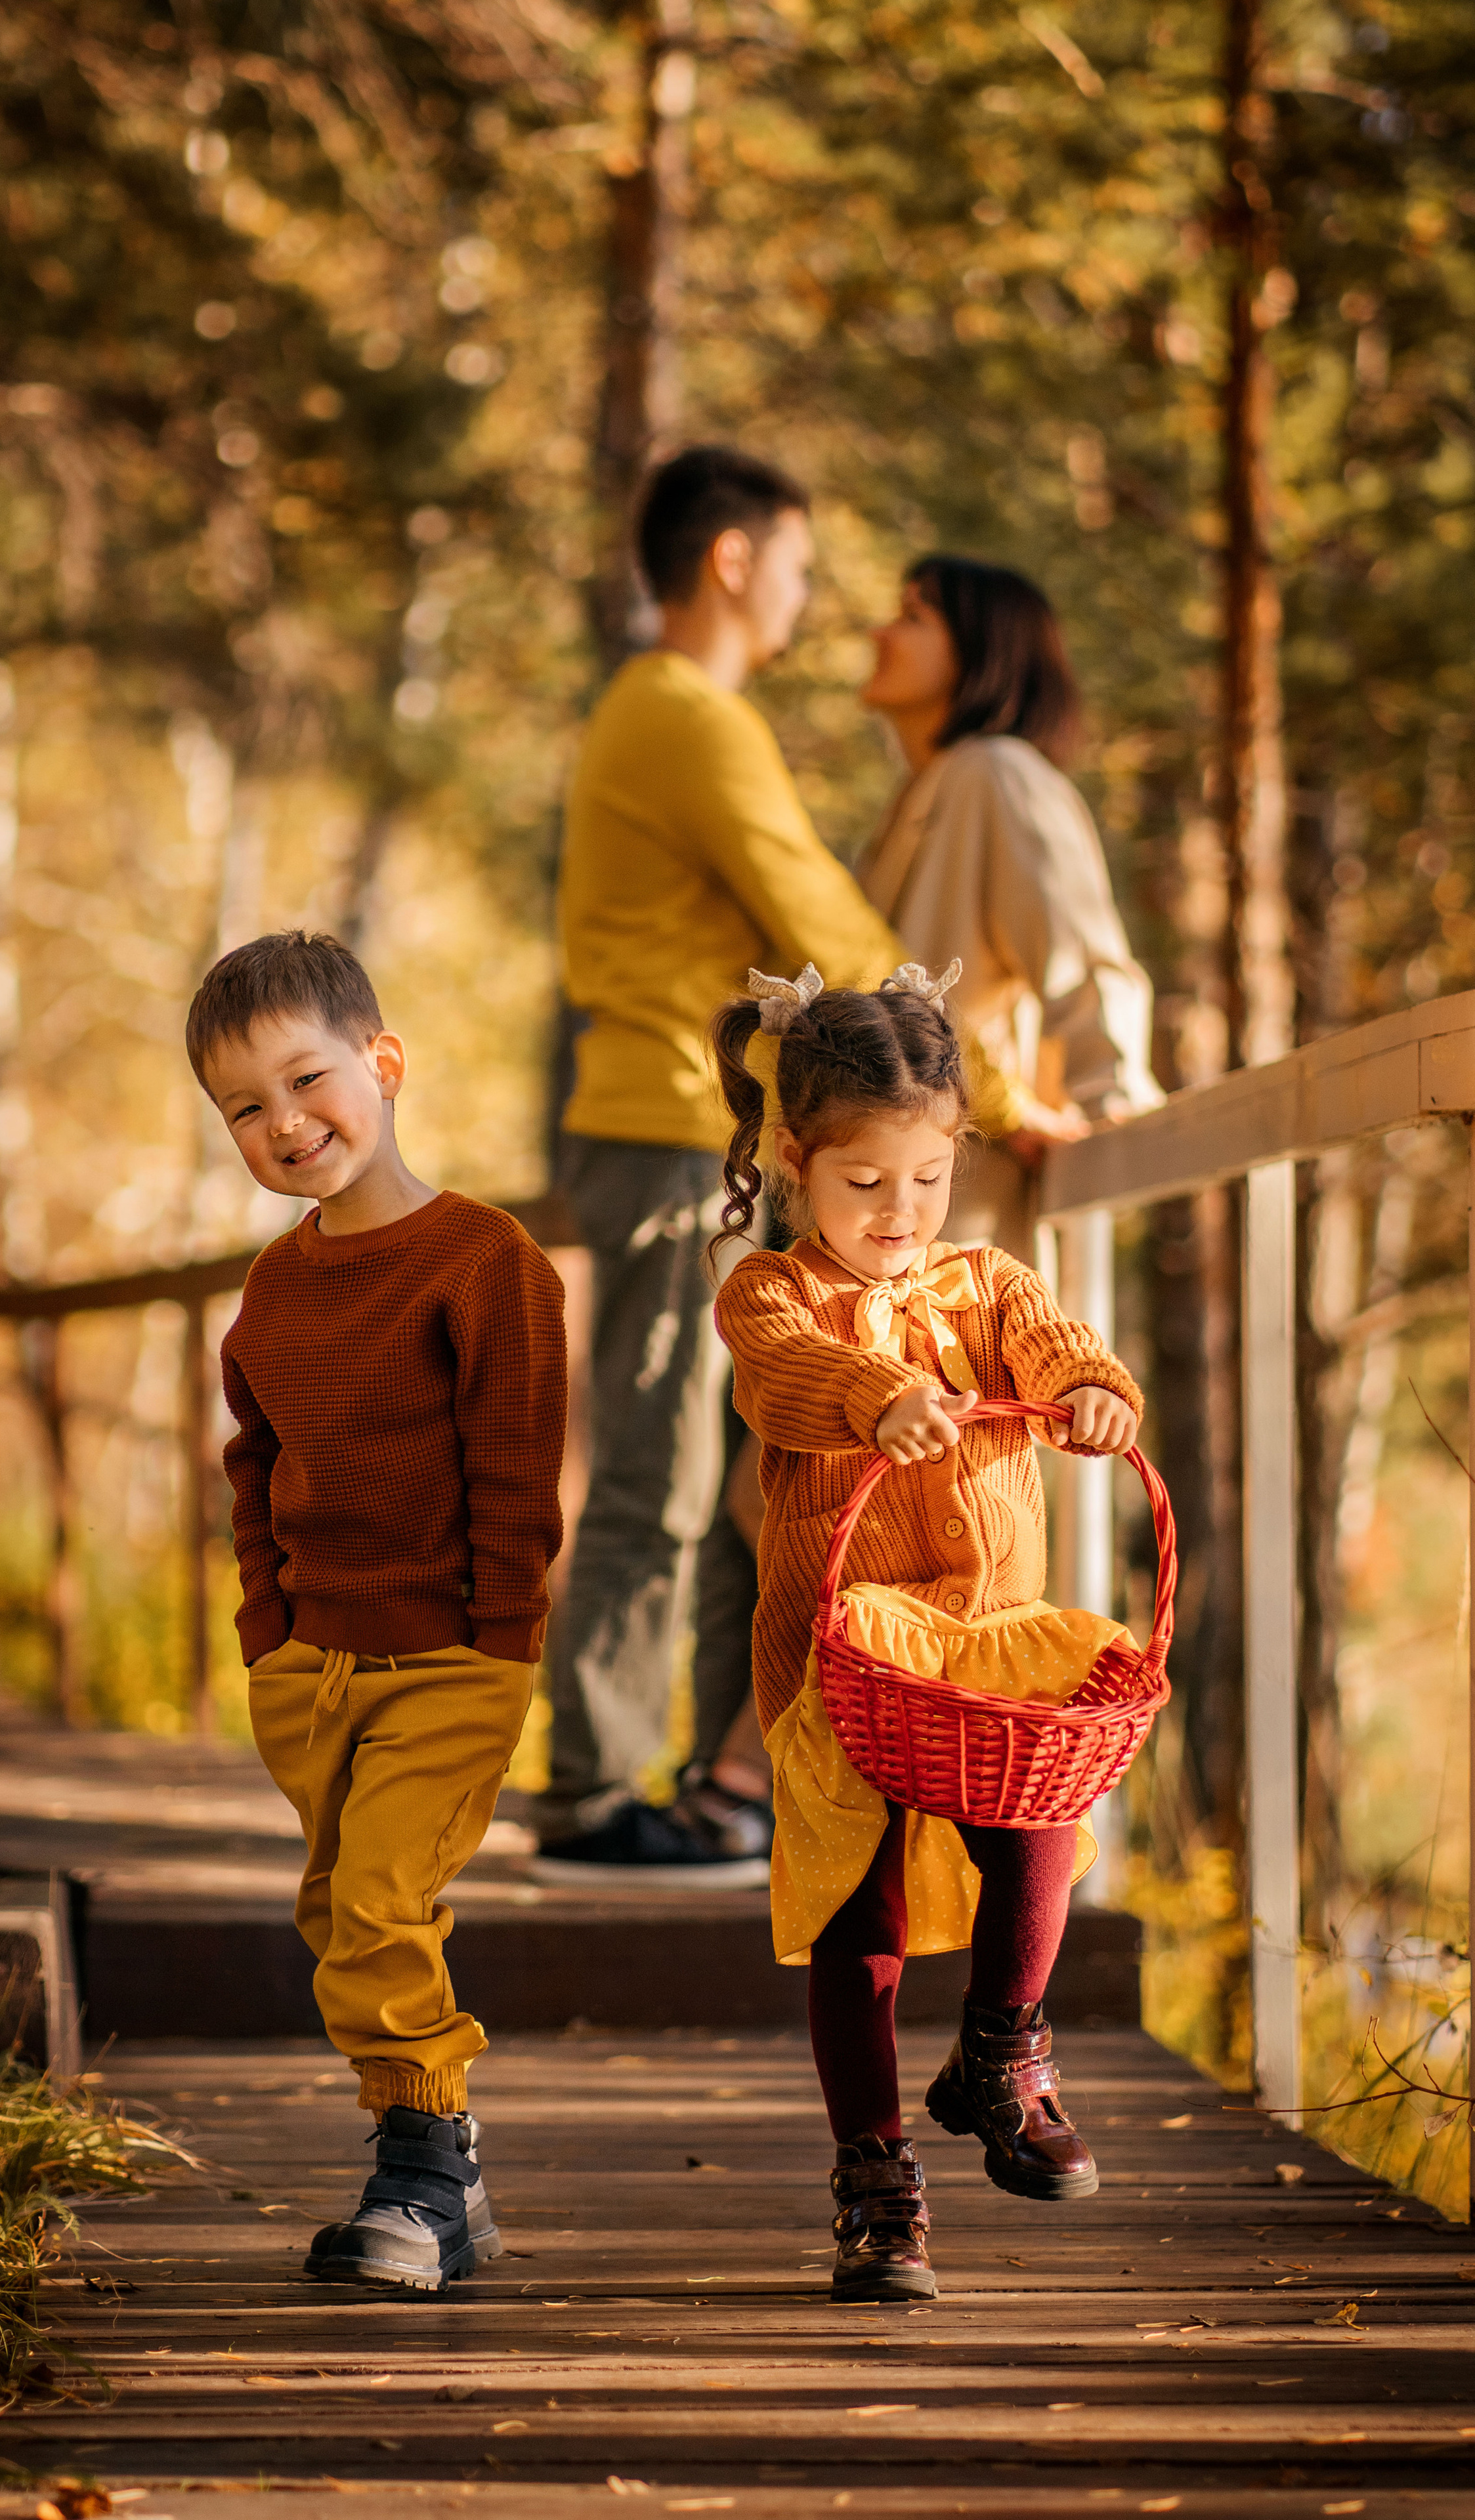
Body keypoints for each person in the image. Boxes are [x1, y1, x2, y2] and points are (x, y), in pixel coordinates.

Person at [537, 445, 945, 1885]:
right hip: (662, 1133)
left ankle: (707, 1793)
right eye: (796, 561)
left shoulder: (666, 713)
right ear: (730, 559)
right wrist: (961, 1073)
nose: (805, 592)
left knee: (729, 1473)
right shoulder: (681, 715)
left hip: (693, 1132)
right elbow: (810, 906)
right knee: (655, 1467)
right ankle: (591, 1801)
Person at [709, 961, 1143, 2298]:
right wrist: (877, 1394)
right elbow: (787, 1377)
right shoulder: (769, 1293)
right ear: (795, 1164)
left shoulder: (987, 1283)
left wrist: (1090, 1391)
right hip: (843, 1653)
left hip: (981, 1640)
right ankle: (875, 2176)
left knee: (1040, 1823)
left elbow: (1056, 1339)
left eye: (929, 1178)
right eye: (864, 1183)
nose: (900, 1212)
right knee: (863, 1912)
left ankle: (1002, 2051)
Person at [187, 930, 567, 2292]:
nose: (286, 1123)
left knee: (380, 1901)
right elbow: (255, 1465)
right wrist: (267, 1635)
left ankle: (422, 2174)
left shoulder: (485, 1261)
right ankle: (445, 2179)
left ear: (385, 1064)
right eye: (245, 1107)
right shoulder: (273, 1287)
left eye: (308, 1080)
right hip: (313, 1665)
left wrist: (502, 1641)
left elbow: (516, 1468)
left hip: (451, 1657)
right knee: (339, 1912)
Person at [855, 555, 1163, 1257]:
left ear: (981, 648)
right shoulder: (922, 796)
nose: (879, 634)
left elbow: (1076, 947)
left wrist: (1113, 1100)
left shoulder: (999, 773)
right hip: (886, 1203)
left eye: (911, 617)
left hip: (965, 1206)